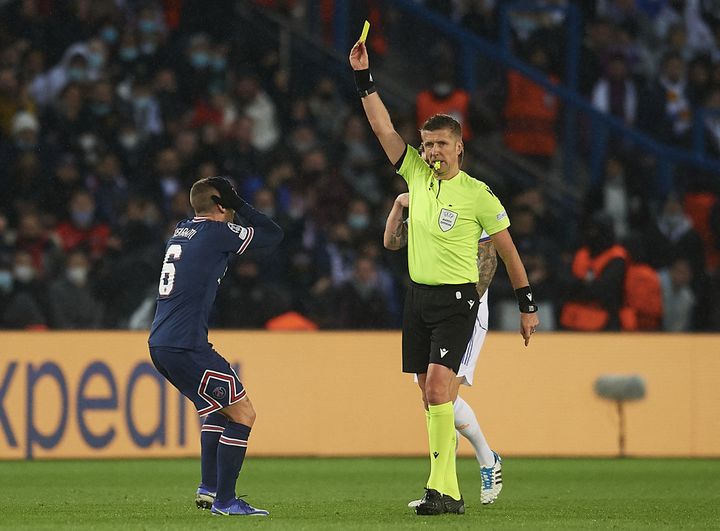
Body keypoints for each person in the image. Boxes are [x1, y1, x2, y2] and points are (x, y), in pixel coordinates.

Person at [350, 39, 539, 516]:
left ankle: (446, 491)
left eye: (441, 144)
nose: (433, 150)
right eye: (428, 143)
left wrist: (527, 304)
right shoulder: (415, 176)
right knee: (431, 399)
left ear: (459, 148)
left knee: (439, 392)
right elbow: (381, 127)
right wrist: (364, 78)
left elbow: (508, 250)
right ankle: (450, 484)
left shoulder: (479, 195)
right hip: (418, 301)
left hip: (458, 301)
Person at [148, 176, 283, 516]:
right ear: (222, 204)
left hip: (162, 344)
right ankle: (226, 502)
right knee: (243, 413)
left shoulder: (182, 229)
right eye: (230, 201)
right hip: (186, 347)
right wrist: (240, 205)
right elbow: (272, 234)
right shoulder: (217, 232)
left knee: (215, 410)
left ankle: (209, 489)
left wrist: (226, 202)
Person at [384, 191, 504, 506]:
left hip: (464, 310)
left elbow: (487, 266)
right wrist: (399, 206)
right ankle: (475, 465)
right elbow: (393, 243)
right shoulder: (423, 204)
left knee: (442, 395)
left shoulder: (472, 200)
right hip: (428, 308)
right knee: (432, 398)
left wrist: (457, 309)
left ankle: (448, 485)